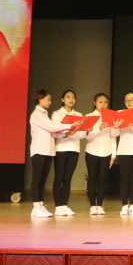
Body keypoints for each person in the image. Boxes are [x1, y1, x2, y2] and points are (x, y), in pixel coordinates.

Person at [29, 89, 82, 217]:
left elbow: (53, 132)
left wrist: (67, 133)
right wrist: (70, 125)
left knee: (43, 180)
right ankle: (36, 207)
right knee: (37, 179)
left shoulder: (44, 114)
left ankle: (40, 205)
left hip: (48, 151)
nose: (50, 102)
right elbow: (52, 126)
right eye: (48, 99)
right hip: (39, 150)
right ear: (40, 99)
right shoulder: (36, 114)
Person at [51, 90, 86, 216]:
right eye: (68, 97)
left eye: (73, 97)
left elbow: (81, 135)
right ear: (63, 99)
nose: (71, 100)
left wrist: (86, 130)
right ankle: (58, 206)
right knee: (59, 177)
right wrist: (67, 132)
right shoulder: (57, 114)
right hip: (61, 149)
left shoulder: (79, 114)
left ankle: (64, 205)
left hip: (74, 149)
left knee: (67, 178)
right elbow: (54, 132)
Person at [85, 93, 120, 215]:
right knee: (92, 178)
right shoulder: (89, 116)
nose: (103, 104)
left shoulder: (111, 116)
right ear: (95, 103)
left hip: (106, 152)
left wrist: (113, 155)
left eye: (105, 102)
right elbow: (87, 136)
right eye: (100, 102)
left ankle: (99, 205)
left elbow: (114, 136)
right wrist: (98, 128)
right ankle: (92, 205)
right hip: (92, 151)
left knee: (102, 179)